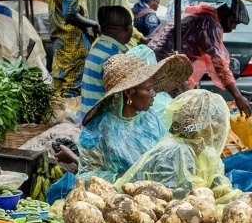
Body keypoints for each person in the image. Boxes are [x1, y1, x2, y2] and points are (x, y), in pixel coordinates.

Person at [48, 49, 192, 193]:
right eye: (148, 89)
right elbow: (86, 177)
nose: (154, 93)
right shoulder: (98, 131)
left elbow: (166, 154)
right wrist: (122, 178)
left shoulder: (149, 118)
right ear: (129, 92)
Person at [120, 89, 232, 196]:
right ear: (200, 124)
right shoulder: (173, 152)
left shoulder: (207, 154)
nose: (221, 128)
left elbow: (219, 188)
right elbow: (169, 199)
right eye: (216, 121)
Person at [149, 3, 241, 99]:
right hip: (163, 63)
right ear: (226, 14)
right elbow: (218, 62)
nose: (234, 27)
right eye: (234, 22)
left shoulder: (205, 18)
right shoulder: (208, 23)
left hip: (165, 62)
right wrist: (238, 96)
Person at [43, 0, 96, 95]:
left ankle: (58, 113)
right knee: (72, 87)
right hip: (74, 43)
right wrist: (94, 24)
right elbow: (70, 15)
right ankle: (67, 114)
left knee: (59, 82)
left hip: (59, 38)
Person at [80, 4, 136, 113]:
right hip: (99, 121)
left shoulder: (97, 46)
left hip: (87, 116)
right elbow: (122, 98)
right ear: (128, 28)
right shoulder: (113, 56)